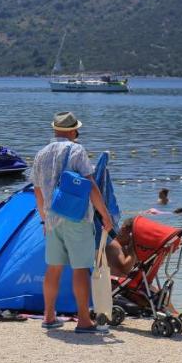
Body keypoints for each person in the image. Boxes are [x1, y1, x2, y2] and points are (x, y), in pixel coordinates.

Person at [32, 111, 115, 334]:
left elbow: (37, 191)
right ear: (72, 131)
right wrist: (105, 215)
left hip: (51, 219)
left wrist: (44, 220)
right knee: (80, 268)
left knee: (53, 269)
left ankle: (49, 316)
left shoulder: (41, 154)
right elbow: (90, 185)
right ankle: (84, 321)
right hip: (77, 218)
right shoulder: (76, 150)